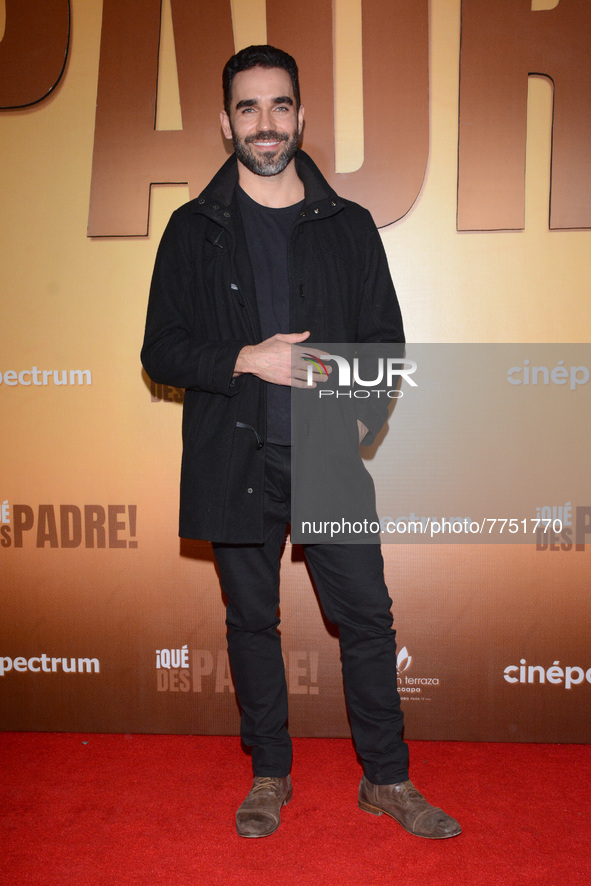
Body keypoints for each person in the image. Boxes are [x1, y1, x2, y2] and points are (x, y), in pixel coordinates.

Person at [141, 44, 460, 841]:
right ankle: (268, 776)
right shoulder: (191, 230)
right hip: (232, 453)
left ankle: (386, 780)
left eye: (279, 105)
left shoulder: (347, 226)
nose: (265, 123)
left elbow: (385, 346)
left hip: (325, 456)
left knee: (368, 621)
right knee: (250, 624)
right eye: (248, 108)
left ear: (299, 116)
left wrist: (346, 416)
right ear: (226, 123)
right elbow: (161, 350)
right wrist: (249, 357)